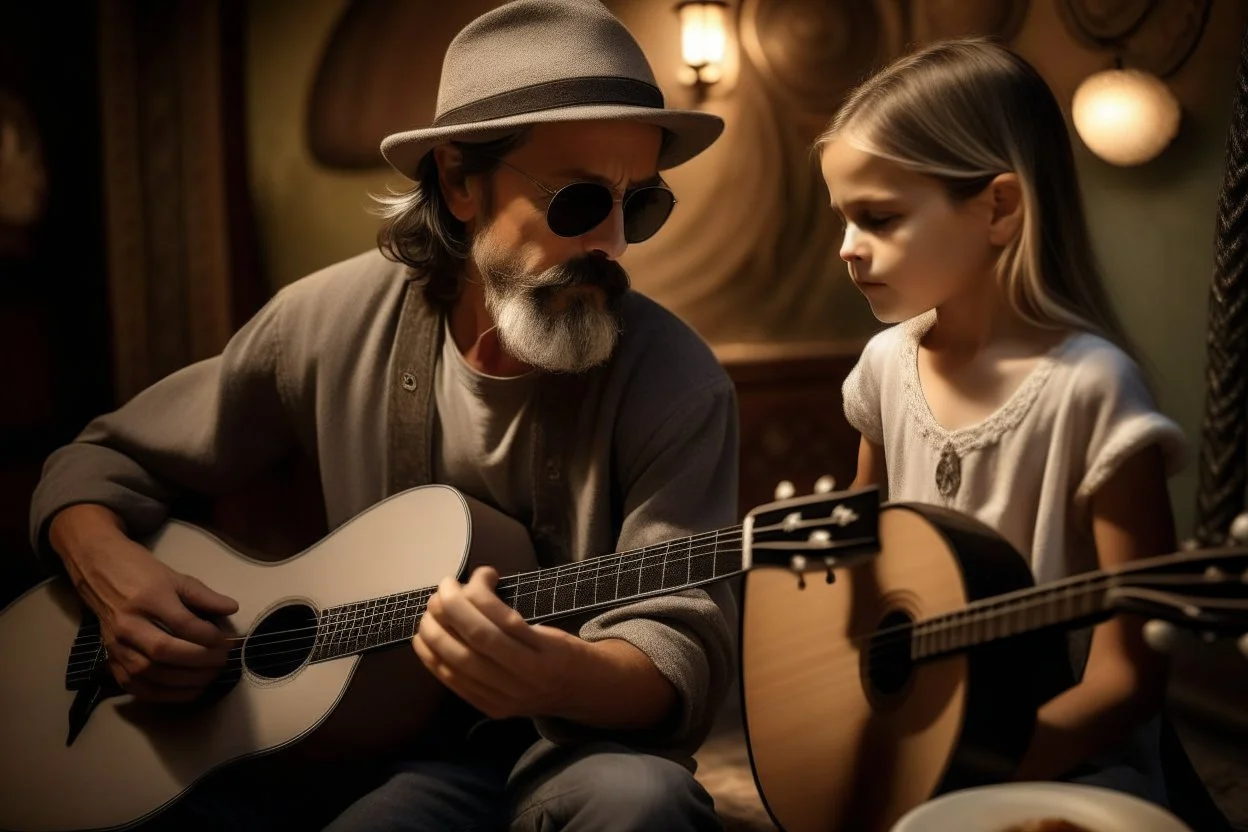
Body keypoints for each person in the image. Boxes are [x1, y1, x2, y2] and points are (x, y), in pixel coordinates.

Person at [27, 0, 738, 829]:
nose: (613, 243)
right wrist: (111, 577)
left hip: (575, 749)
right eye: (581, 203)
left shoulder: (679, 381)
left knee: (645, 803)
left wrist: (555, 676)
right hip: (371, 756)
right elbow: (97, 463)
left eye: (640, 205)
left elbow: (678, 642)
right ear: (459, 180)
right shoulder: (325, 320)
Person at [819, 38, 1189, 804]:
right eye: (843, 219)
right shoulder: (887, 364)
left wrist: (973, 783)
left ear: (999, 207)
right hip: (912, 734)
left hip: (1059, 765)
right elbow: (862, 566)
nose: (848, 250)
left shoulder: (1092, 391)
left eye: (878, 218)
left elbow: (1127, 676)